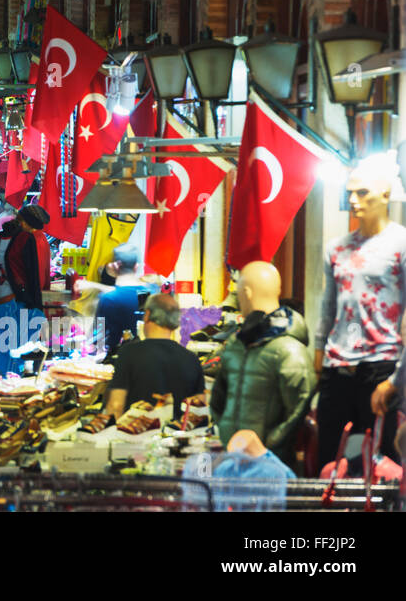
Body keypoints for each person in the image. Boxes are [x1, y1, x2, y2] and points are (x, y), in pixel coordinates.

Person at [315, 164, 406, 468]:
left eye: (362, 192)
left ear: (386, 194)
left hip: (381, 367)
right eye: (350, 192)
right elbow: (329, 304)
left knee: (382, 466)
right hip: (337, 366)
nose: (354, 199)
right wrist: (319, 351)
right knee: (329, 460)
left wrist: (397, 378)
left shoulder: (400, 244)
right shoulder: (336, 248)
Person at [210, 262, 315, 470]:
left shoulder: (289, 349)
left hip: (271, 467)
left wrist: (266, 444)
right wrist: (226, 432)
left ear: (246, 293)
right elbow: (219, 398)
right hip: (234, 461)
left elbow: (298, 410)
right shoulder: (236, 344)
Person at [104, 293, 205, 418]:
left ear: (147, 315)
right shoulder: (191, 359)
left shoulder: (129, 353)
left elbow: (115, 405)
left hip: (134, 433)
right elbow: (199, 406)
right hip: (175, 434)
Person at [0, 204, 52, 375]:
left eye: (21, 220)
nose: (18, 222)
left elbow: (34, 275)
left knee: (10, 348)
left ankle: (4, 379)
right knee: (15, 347)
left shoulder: (32, 240)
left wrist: (32, 301)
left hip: (18, 301)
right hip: (18, 300)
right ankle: (10, 378)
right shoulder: (37, 238)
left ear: (26, 223)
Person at [95, 244, 162, 357]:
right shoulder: (151, 293)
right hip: (148, 357)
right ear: (136, 266)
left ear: (114, 267)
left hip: (117, 359)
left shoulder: (107, 298)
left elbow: (99, 338)